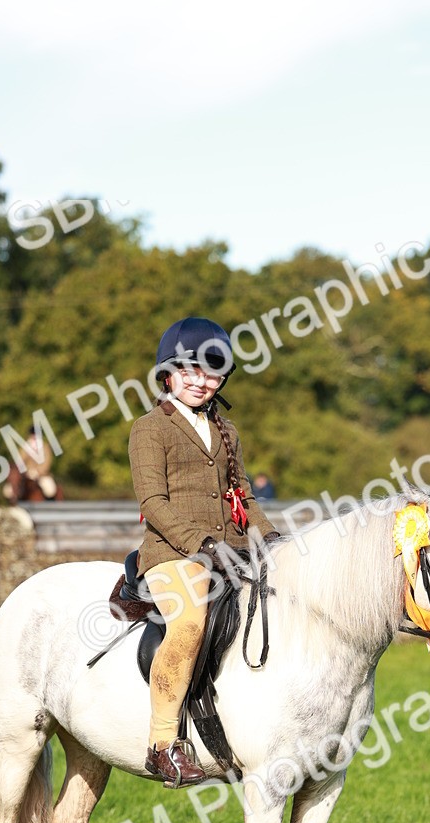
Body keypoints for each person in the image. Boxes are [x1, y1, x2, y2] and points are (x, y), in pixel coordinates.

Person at [129, 317, 280, 787]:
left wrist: (273, 539)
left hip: (230, 551)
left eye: (212, 373)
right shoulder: (149, 429)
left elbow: (245, 497)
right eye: (190, 371)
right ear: (168, 374)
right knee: (190, 622)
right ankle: (161, 743)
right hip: (173, 553)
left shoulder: (228, 431)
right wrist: (201, 544)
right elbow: (153, 503)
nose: (200, 381)